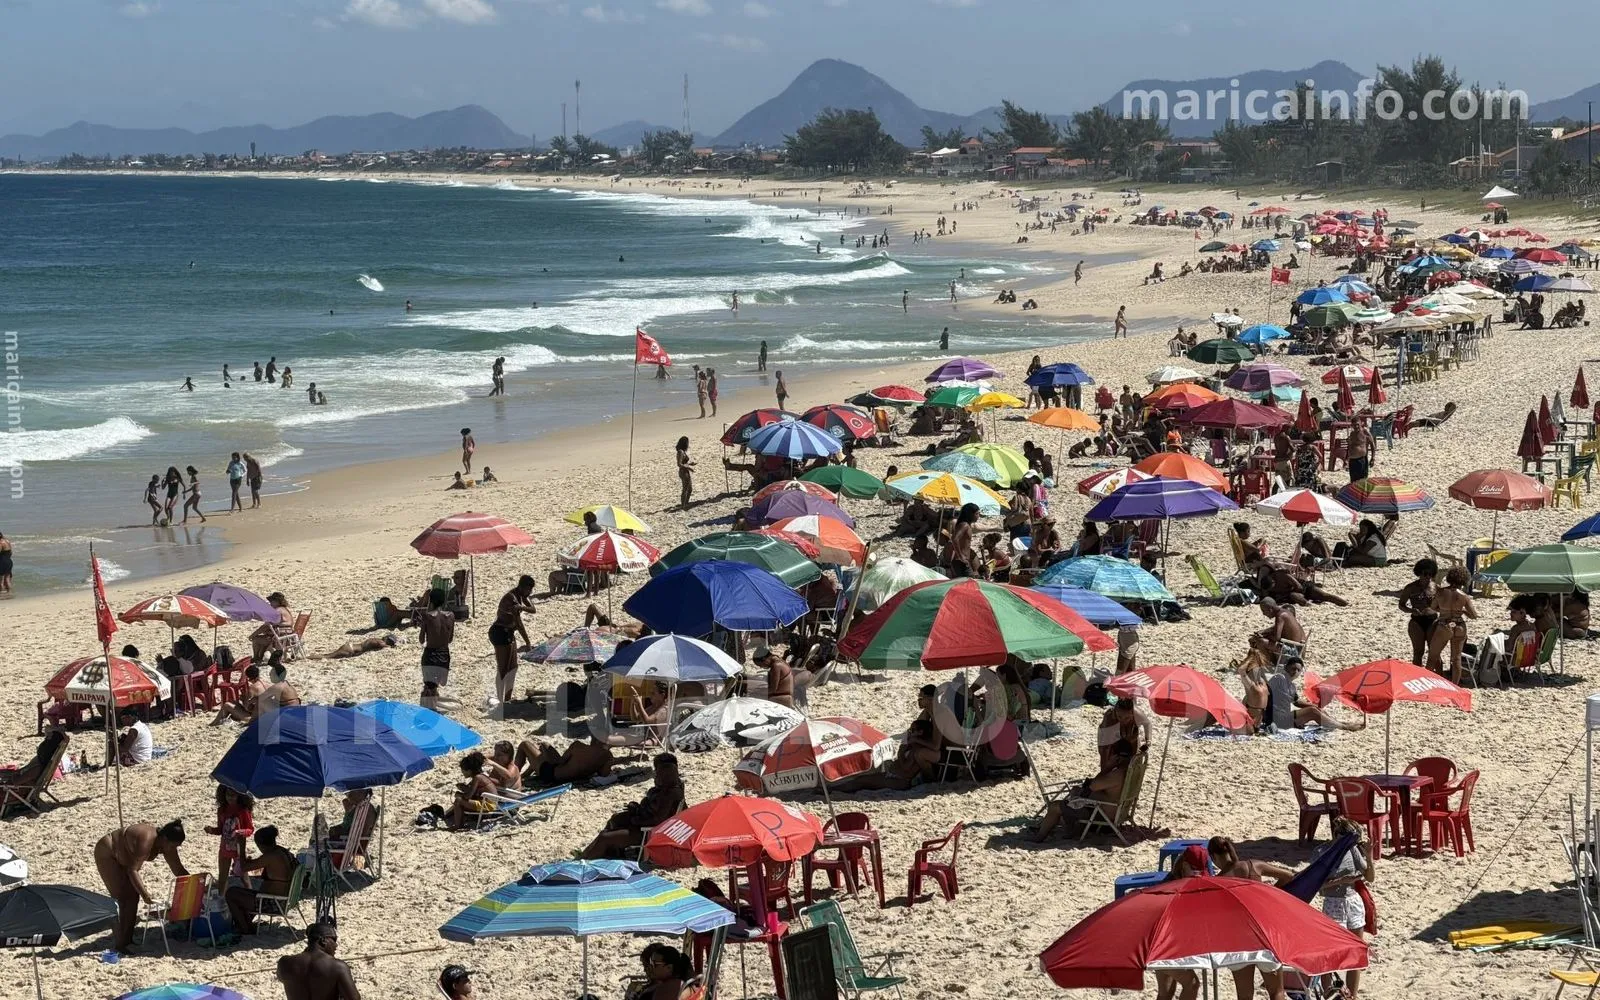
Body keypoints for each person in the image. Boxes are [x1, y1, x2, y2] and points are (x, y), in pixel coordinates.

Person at [94, 819, 189, 953]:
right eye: (173, 846)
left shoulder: (167, 845)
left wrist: (196, 884)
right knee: (125, 898)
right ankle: (121, 944)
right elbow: (132, 870)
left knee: (133, 897)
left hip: (126, 859)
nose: (174, 849)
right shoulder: (146, 840)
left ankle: (127, 939)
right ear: (164, 839)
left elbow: (178, 870)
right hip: (108, 852)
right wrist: (146, 895)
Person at [581, 753, 686, 859]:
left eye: (659, 771)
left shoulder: (668, 794)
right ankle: (601, 852)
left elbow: (657, 820)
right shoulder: (669, 787)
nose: (657, 775)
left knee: (605, 837)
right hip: (648, 826)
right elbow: (653, 811)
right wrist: (637, 809)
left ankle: (584, 859)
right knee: (616, 819)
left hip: (650, 832)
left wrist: (635, 820)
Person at [1314, 817, 1374, 1000]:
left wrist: (1369, 855)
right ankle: (1328, 993)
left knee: (1356, 950)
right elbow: (1317, 885)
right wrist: (1342, 881)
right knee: (1329, 952)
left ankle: (1352, 996)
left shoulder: (1352, 850)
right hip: (1333, 903)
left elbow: (1370, 877)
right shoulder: (1322, 851)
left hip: (1353, 902)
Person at [224, 825, 296, 935]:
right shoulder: (282, 852)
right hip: (284, 900)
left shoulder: (271, 856)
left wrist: (242, 846)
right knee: (243, 892)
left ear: (261, 845)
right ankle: (247, 924)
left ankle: (245, 929)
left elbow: (244, 868)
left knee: (231, 893)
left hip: (273, 903)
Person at [1267, 657, 1365, 732]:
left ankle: (1340, 723)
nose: (1295, 672)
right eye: (1293, 668)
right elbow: (1266, 693)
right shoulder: (1278, 679)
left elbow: (1297, 702)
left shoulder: (1291, 686)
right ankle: (1344, 727)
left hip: (1285, 717)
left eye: (1298, 670)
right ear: (1286, 667)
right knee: (1312, 711)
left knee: (1316, 710)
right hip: (1276, 717)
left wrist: (1315, 706)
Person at [277, 922, 361, 1000]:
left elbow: (284, 979)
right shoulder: (338, 966)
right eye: (334, 939)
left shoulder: (284, 963)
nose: (336, 945)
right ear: (323, 940)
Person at [489, 575, 537, 704]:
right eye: (528, 589)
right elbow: (519, 624)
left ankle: (507, 699)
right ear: (522, 587)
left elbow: (533, 609)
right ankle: (500, 699)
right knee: (503, 669)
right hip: (500, 632)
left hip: (509, 632)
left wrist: (522, 606)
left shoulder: (520, 597)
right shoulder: (511, 598)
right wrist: (527, 642)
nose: (530, 592)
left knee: (513, 667)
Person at [1427, 565, 1478, 684]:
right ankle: (1455, 685)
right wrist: (1463, 611)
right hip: (1459, 625)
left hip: (1444, 625)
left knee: (1433, 656)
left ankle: (1427, 683)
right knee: (1456, 659)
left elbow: (1433, 607)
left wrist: (1443, 610)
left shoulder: (1440, 592)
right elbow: (1474, 615)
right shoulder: (1464, 596)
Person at [517, 736, 616, 786]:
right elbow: (603, 774)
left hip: (551, 774)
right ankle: (527, 773)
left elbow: (560, 762)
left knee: (525, 744)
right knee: (545, 746)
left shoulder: (578, 746)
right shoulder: (607, 756)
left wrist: (545, 753)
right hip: (573, 778)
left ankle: (515, 776)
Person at [205, 784, 255, 882]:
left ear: (239, 796)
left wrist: (242, 832)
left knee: (243, 877)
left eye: (233, 795)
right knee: (222, 876)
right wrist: (212, 830)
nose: (230, 797)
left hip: (239, 850)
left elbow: (250, 829)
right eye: (228, 794)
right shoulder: (222, 810)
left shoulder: (243, 811)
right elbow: (220, 830)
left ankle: (248, 890)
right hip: (224, 848)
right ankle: (222, 891)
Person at [419, 588, 456, 708]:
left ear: (431, 601)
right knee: (436, 685)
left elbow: (421, 640)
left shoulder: (427, 616)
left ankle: (429, 707)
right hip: (444, 655)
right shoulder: (451, 616)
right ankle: (435, 702)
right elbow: (450, 639)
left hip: (430, 655)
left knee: (429, 686)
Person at [1398, 558, 1440, 666]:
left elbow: (1442, 606)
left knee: (1434, 653)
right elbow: (1401, 605)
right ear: (1419, 573)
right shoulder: (1410, 588)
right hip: (1416, 621)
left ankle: (1438, 675)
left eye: (1430, 574)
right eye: (1425, 574)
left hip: (1432, 620)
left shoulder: (1436, 588)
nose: (1428, 577)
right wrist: (1411, 610)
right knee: (1418, 652)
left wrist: (1433, 609)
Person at [447, 751, 498, 829]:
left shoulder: (477, 778)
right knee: (461, 800)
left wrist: (459, 794)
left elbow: (468, 796)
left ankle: (458, 825)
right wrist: (463, 788)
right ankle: (459, 821)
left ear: (469, 771)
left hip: (488, 805)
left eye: (463, 770)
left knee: (458, 800)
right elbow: (472, 790)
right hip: (489, 802)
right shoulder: (480, 776)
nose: (462, 772)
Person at [675, 436, 695, 509]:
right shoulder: (680, 452)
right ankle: (683, 505)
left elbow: (683, 463)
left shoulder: (683, 451)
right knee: (685, 489)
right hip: (683, 472)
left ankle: (685, 503)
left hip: (685, 471)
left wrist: (690, 464)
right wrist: (688, 467)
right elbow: (679, 464)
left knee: (689, 489)